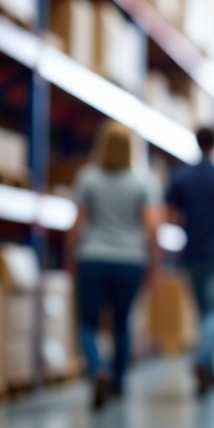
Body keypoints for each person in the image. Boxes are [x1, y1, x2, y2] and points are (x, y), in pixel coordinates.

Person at [67, 122, 161, 409]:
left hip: (92, 258)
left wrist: (70, 260)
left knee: (88, 323)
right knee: (122, 323)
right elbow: (152, 228)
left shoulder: (87, 178)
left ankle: (98, 370)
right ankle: (118, 384)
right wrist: (155, 265)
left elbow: (77, 225)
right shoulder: (143, 182)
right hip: (131, 261)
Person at [166, 126, 214, 395]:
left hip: (193, 253)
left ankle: (209, 370)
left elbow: (172, 216)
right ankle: (201, 361)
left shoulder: (182, 177)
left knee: (203, 313)